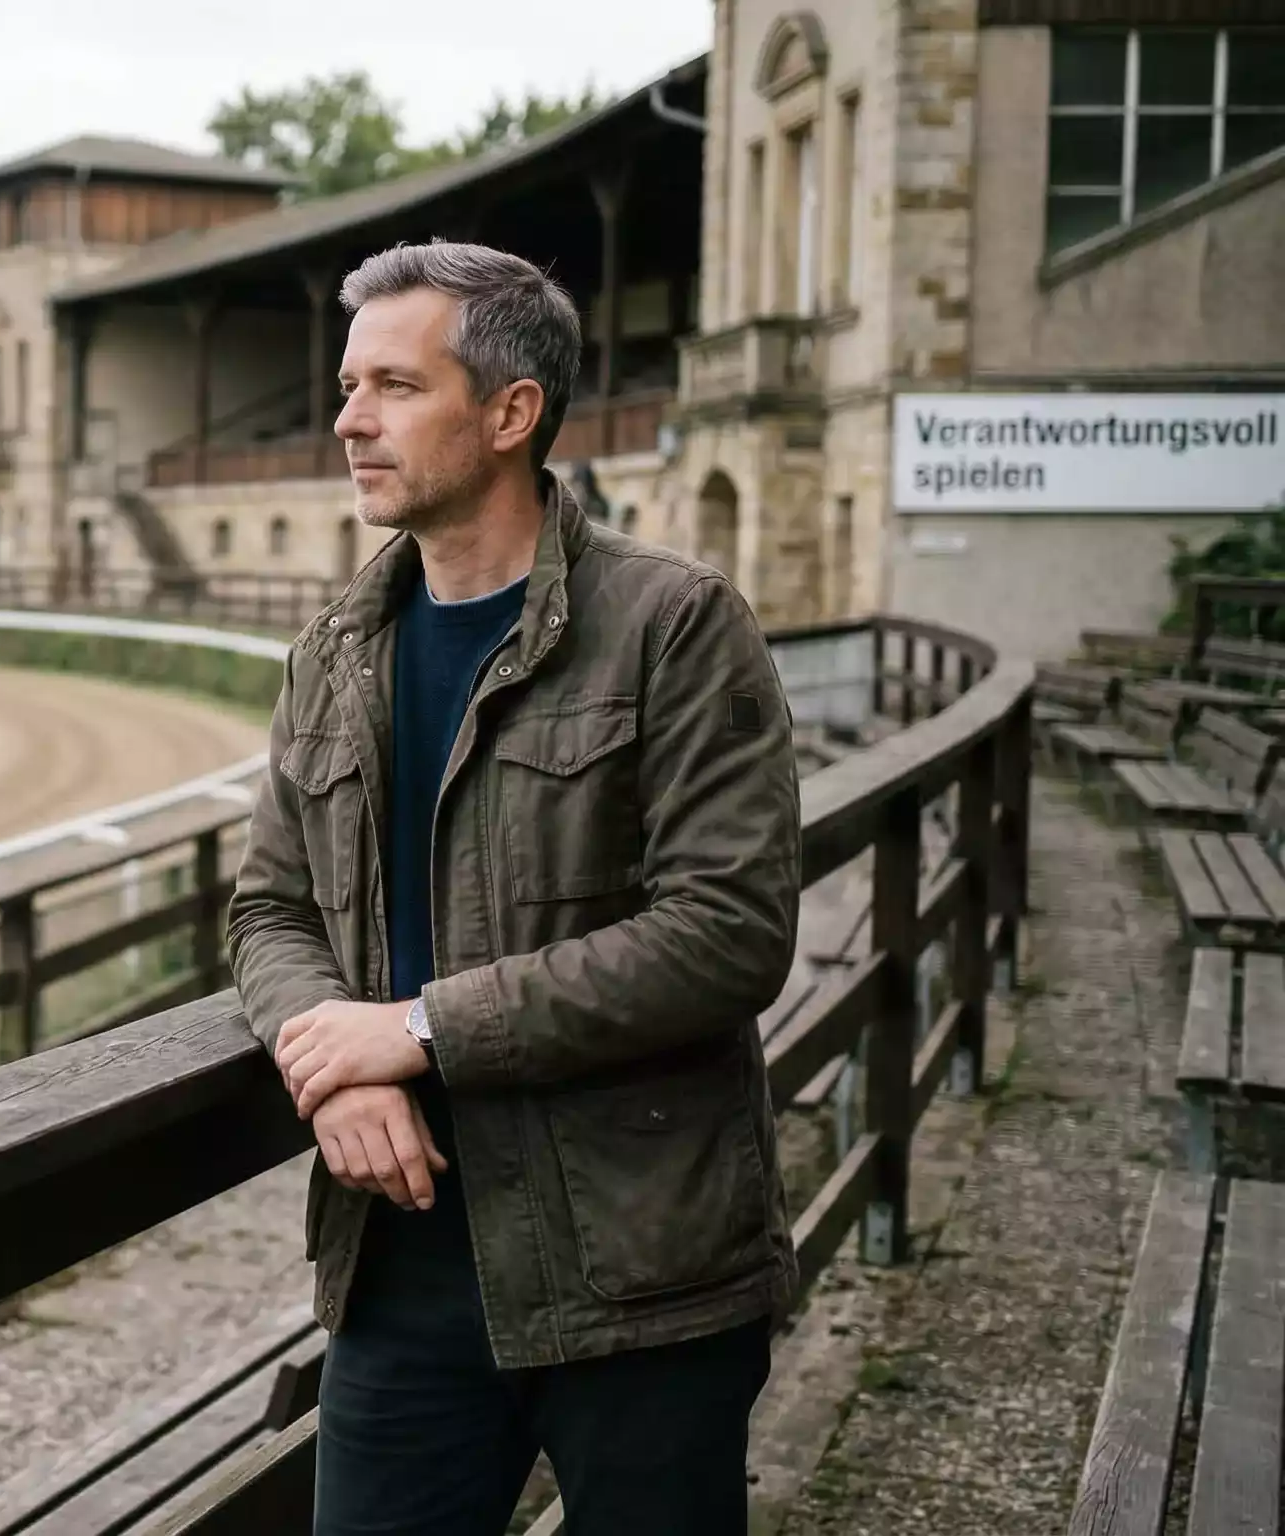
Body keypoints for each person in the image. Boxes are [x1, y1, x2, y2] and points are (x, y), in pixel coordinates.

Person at [227, 240, 803, 1536]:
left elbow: (730, 931)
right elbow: (268, 909)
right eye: (345, 384)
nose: (347, 420)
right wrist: (333, 1056)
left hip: (637, 1273)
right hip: (399, 1263)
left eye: (392, 386)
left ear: (510, 413)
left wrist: (421, 1027)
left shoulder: (675, 623)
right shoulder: (332, 652)